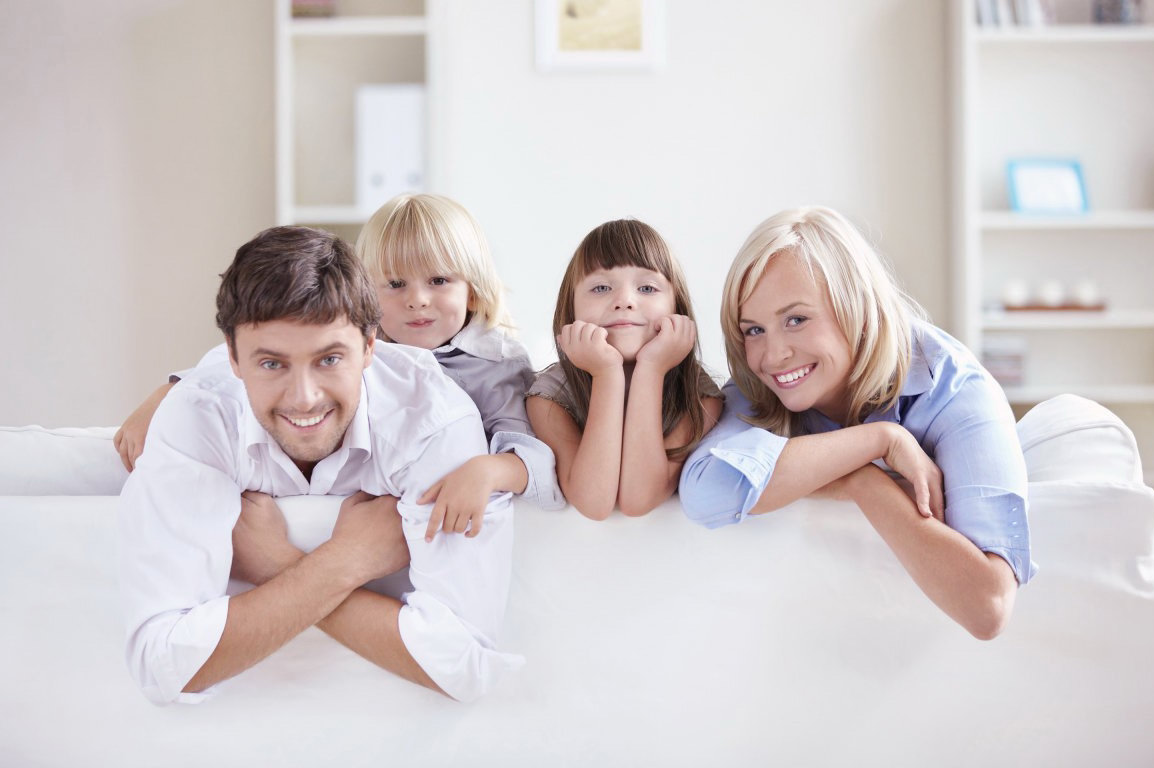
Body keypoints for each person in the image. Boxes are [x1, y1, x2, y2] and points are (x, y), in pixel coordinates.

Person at [120, 226, 521, 705]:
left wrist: (275, 564)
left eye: (330, 358)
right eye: (271, 364)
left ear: (371, 346)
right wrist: (346, 561)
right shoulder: (198, 414)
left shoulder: (431, 420)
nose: (304, 397)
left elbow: (464, 664)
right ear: (232, 357)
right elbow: (162, 665)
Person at [115, 193, 564, 540]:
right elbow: (253, 355)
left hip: (426, 509)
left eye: (439, 281)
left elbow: (537, 462)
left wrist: (488, 471)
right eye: (394, 283)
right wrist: (168, 392)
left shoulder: (495, 363)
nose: (417, 299)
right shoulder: (362, 343)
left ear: (474, 289)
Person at [678, 207, 1033, 640]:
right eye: (753, 330)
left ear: (856, 307)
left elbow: (988, 607)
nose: (772, 355)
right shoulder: (759, 388)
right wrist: (870, 461)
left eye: (796, 320)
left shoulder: (954, 389)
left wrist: (850, 476)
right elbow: (705, 493)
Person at [526, 218, 724, 520]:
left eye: (647, 287)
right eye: (601, 287)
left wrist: (652, 369)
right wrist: (606, 374)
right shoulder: (548, 396)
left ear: (678, 309)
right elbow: (594, 503)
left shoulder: (698, 395)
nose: (624, 301)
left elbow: (638, 499)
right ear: (571, 310)